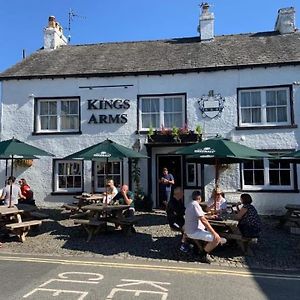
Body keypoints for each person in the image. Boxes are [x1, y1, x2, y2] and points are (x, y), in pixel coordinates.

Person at [185, 190, 226, 264]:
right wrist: (214, 233)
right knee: (217, 239)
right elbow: (203, 220)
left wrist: (210, 216)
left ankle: (201, 250)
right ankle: (202, 255)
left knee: (219, 238)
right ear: (200, 198)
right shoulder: (195, 205)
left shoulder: (190, 204)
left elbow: (202, 215)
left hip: (190, 230)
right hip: (193, 232)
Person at [166, 187, 188, 252]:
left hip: (180, 220)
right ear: (178, 194)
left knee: (190, 225)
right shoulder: (172, 202)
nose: (183, 194)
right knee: (185, 229)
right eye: (182, 193)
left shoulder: (179, 200)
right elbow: (178, 212)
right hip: (174, 222)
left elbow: (183, 209)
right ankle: (183, 245)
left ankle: (188, 242)